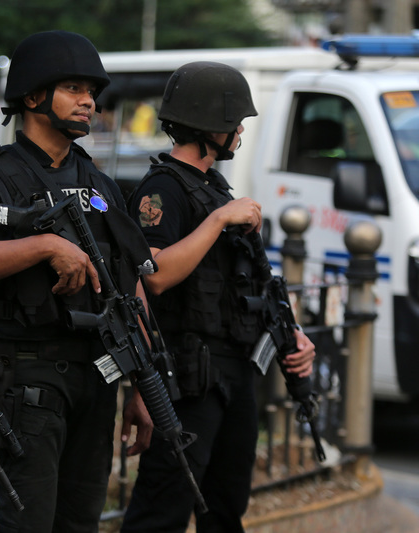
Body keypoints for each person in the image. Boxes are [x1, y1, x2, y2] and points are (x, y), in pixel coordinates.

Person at [0, 30, 155, 533]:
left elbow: (129, 292)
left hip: (96, 377)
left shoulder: (99, 183)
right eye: (74, 88)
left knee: (80, 525)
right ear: (33, 96)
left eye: (91, 91)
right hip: (26, 380)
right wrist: (45, 246)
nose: (89, 101)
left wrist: (144, 383)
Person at [122, 61, 317, 532]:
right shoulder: (163, 189)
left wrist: (292, 334)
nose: (242, 131)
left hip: (234, 368)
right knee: (163, 508)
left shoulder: (214, 188)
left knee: (226, 506)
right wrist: (218, 221)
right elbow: (154, 276)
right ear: (212, 126)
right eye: (236, 123)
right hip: (189, 373)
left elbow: (242, 283)